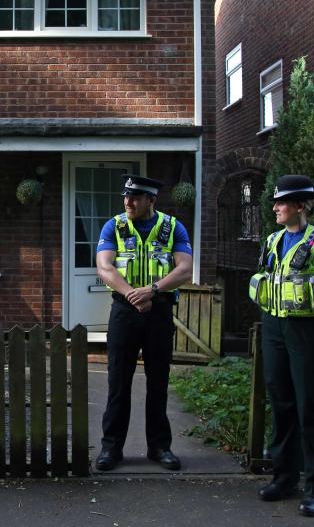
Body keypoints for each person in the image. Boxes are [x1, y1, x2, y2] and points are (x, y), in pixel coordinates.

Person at [249, 175, 314, 517]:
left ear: (299, 206)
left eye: (281, 202)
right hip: (274, 329)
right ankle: (284, 478)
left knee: (312, 409)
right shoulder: (272, 240)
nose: (275, 207)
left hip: (310, 333)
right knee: (281, 404)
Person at [94, 174, 193, 471]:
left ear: (151, 200)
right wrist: (133, 295)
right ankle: (111, 449)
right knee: (118, 382)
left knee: (158, 382)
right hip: (124, 311)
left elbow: (185, 268)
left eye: (135, 197)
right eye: (126, 196)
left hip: (159, 310)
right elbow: (104, 267)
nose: (128, 202)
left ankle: (160, 447)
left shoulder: (173, 227)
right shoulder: (114, 226)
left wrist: (152, 291)